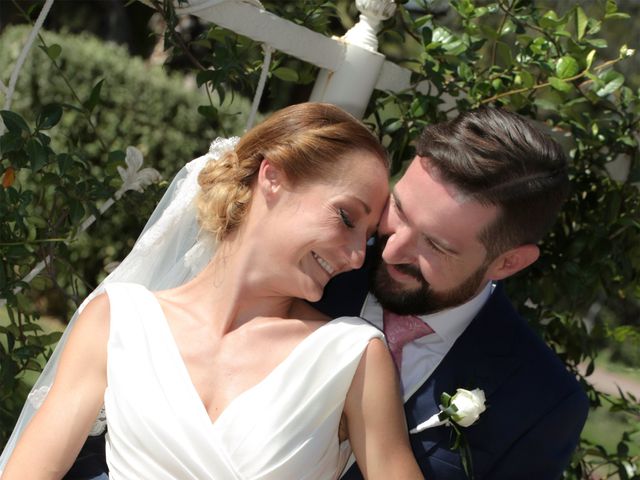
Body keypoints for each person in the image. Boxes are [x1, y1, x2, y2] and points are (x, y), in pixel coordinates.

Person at [0, 103, 424, 479]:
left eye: (367, 237)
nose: (355, 257)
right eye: (348, 218)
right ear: (273, 176)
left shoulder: (351, 356)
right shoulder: (117, 321)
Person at [319, 107, 589, 479]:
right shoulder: (315, 265)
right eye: (399, 208)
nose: (391, 250)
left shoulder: (542, 402)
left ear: (508, 262)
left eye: (436, 245)